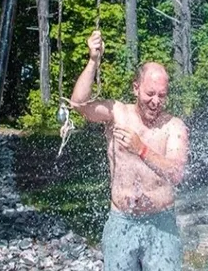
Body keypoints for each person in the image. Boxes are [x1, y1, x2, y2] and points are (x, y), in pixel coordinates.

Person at [67, 30, 190, 271]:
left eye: (162, 95)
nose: (156, 101)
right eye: (150, 93)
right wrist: (93, 61)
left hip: (161, 224)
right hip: (121, 222)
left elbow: (176, 173)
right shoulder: (118, 113)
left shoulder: (173, 126)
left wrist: (141, 149)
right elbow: (78, 105)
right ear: (136, 88)